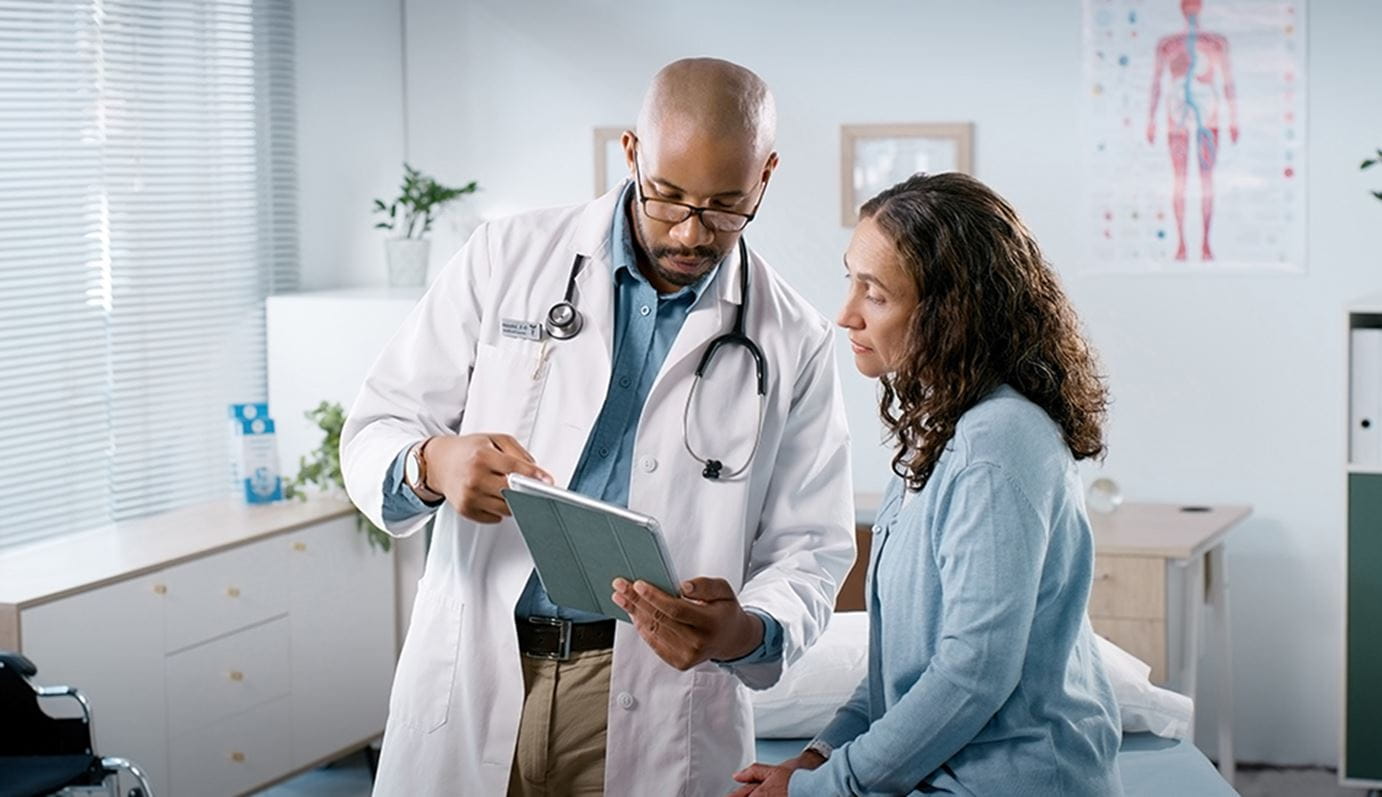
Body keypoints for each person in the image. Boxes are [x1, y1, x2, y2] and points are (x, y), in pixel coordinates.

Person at [340, 57, 854, 797]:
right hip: (481, 667)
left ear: (765, 176)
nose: (690, 231)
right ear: (632, 152)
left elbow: (811, 547)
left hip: (654, 695)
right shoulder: (506, 257)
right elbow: (376, 426)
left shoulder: (794, 337)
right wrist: (432, 463)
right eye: (667, 196)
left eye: (724, 207)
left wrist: (745, 629)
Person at [731, 172, 1123, 796]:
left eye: (875, 294)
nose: (846, 314)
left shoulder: (995, 443)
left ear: (949, 313)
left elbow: (971, 674)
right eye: (851, 280)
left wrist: (824, 789)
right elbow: (900, 670)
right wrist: (818, 757)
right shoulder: (938, 431)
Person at [1145, 0, 1239, 261]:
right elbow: (1156, 83)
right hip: (1177, 119)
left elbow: (1228, 83)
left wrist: (1234, 120)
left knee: (1206, 181)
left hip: (1208, 118)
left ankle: (1206, 243)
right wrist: (1151, 120)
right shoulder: (1168, 45)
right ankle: (1181, 244)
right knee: (1180, 181)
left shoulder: (1215, 44)